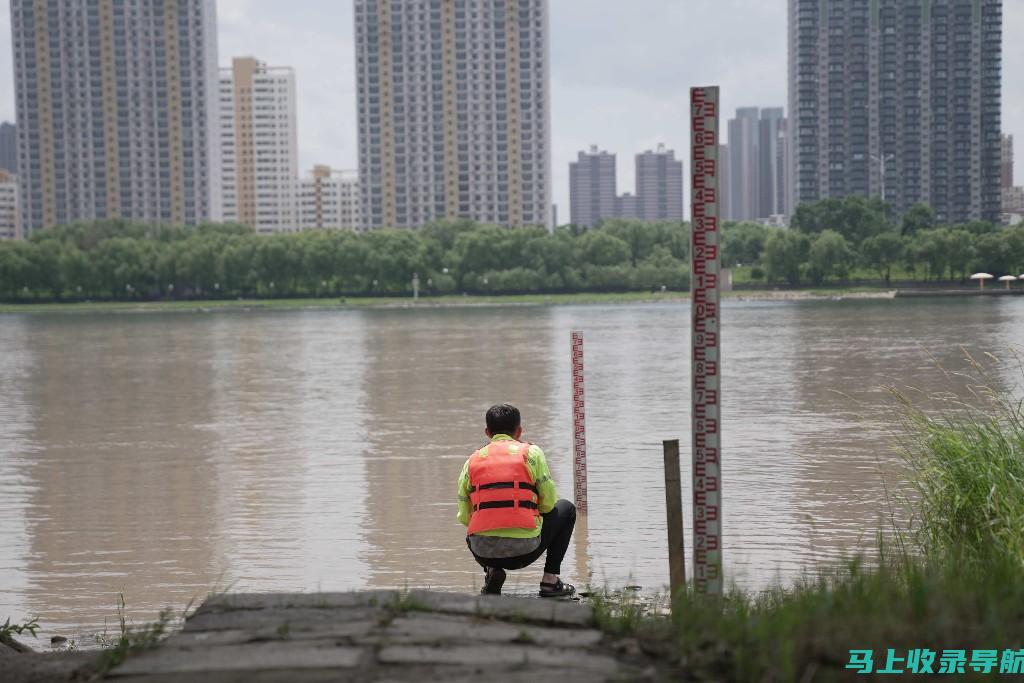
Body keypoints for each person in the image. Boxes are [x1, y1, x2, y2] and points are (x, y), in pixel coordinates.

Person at [456, 403, 576, 597]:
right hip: (525, 552)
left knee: (475, 526)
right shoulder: (531, 453)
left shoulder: (472, 461)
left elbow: (464, 517)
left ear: (487, 432)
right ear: (519, 431)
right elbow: (548, 504)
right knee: (566, 508)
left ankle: (492, 571)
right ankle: (550, 581)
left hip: (483, 551)